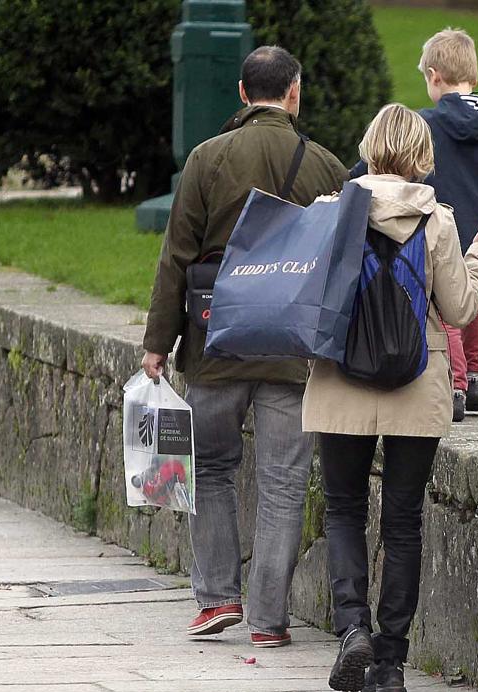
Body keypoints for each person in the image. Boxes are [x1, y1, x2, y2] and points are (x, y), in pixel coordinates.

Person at [140, 46, 348, 647]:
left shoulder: (207, 159)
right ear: (294, 93)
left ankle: (216, 600)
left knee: (210, 471)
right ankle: (269, 619)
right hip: (291, 350)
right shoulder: (325, 166)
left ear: (240, 92)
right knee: (283, 481)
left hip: (214, 343)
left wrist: (159, 342)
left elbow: (176, 257)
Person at [302, 103, 478, 692]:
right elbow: (461, 309)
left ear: (369, 148)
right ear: (420, 155)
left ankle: (352, 631)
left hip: (340, 379)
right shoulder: (438, 221)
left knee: (343, 509)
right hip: (418, 381)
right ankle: (390, 666)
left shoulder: (332, 212)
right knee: (403, 523)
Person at [353, 28, 478, 423]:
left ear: (433, 75)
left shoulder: (425, 124)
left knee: (444, 304)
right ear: (473, 77)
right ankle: (477, 378)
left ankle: (455, 384)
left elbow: (387, 163)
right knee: (476, 301)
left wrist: (350, 187)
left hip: (436, 225)